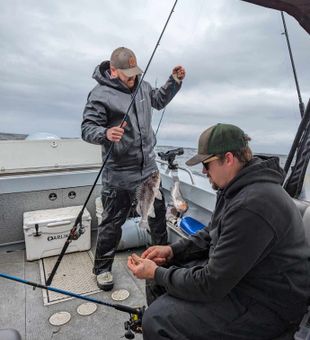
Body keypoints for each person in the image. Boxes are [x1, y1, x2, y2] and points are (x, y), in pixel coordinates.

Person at [127, 123, 310, 340]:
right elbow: (211, 233)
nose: (203, 171)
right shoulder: (235, 188)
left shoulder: (253, 204)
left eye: (206, 163)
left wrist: (155, 272)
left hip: (270, 304)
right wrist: (172, 251)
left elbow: (211, 284)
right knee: (159, 274)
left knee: (156, 321)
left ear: (229, 159)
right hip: (244, 279)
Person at [81, 47, 185, 291]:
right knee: (111, 224)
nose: (132, 78)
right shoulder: (100, 94)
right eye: (127, 74)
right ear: (113, 70)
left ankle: (162, 261)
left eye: (134, 73)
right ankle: (103, 269)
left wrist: (174, 81)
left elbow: (158, 100)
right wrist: (104, 133)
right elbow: (87, 128)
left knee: (158, 219)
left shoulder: (143, 86)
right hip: (118, 173)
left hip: (148, 171)